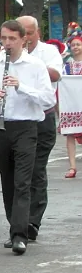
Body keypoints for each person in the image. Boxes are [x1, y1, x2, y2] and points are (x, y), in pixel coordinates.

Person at [0, 20, 55, 255]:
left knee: (23, 182)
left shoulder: (36, 66)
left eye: (12, 39)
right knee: (7, 181)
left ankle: (19, 234)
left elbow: (49, 100)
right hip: (1, 127)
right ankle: (14, 227)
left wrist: (21, 86)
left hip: (26, 127)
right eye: (3, 39)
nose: (7, 44)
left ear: (23, 39)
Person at [17, 16, 63, 241]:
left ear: (36, 33)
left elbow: (56, 74)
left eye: (28, 33)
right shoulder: (10, 55)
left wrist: (32, 68)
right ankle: (18, 220)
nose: (24, 37)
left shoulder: (48, 52)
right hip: (19, 121)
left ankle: (32, 221)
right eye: (20, 33)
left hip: (42, 119)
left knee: (36, 169)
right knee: (17, 173)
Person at [61, 33, 82, 178]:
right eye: (73, 45)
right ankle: (72, 166)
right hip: (71, 103)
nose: (75, 47)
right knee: (69, 134)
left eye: (78, 44)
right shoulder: (66, 65)